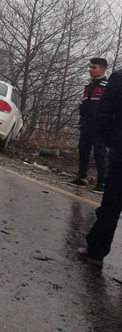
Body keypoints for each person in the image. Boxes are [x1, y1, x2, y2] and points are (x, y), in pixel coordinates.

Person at [77, 67, 122, 266]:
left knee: (112, 204)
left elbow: (104, 112)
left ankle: (96, 252)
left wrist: (110, 141)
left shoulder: (119, 77)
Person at [69, 58, 109, 193]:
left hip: (100, 126)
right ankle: (81, 177)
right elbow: (85, 106)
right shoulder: (88, 87)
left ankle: (102, 183)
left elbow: (109, 108)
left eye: (94, 67)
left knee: (100, 153)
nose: (90, 70)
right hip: (87, 124)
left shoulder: (107, 86)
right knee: (83, 149)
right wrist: (81, 121)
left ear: (102, 69)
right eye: (90, 67)